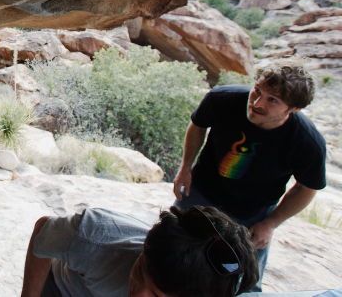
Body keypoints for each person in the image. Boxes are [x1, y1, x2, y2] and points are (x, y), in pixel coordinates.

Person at [172, 61, 327, 291]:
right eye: (257, 91)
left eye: (272, 100)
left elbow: (307, 188)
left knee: (244, 283)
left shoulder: (307, 142)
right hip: (201, 191)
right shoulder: (222, 99)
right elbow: (197, 125)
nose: (256, 103)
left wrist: (271, 223)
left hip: (253, 213)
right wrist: (185, 168)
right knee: (170, 252)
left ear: (293, 109)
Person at [20, 205, 258, 297]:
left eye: (155, 296)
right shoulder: (94, 236)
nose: (138, 294)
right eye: (140, 270)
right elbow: (44, 229)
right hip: (64, 290)